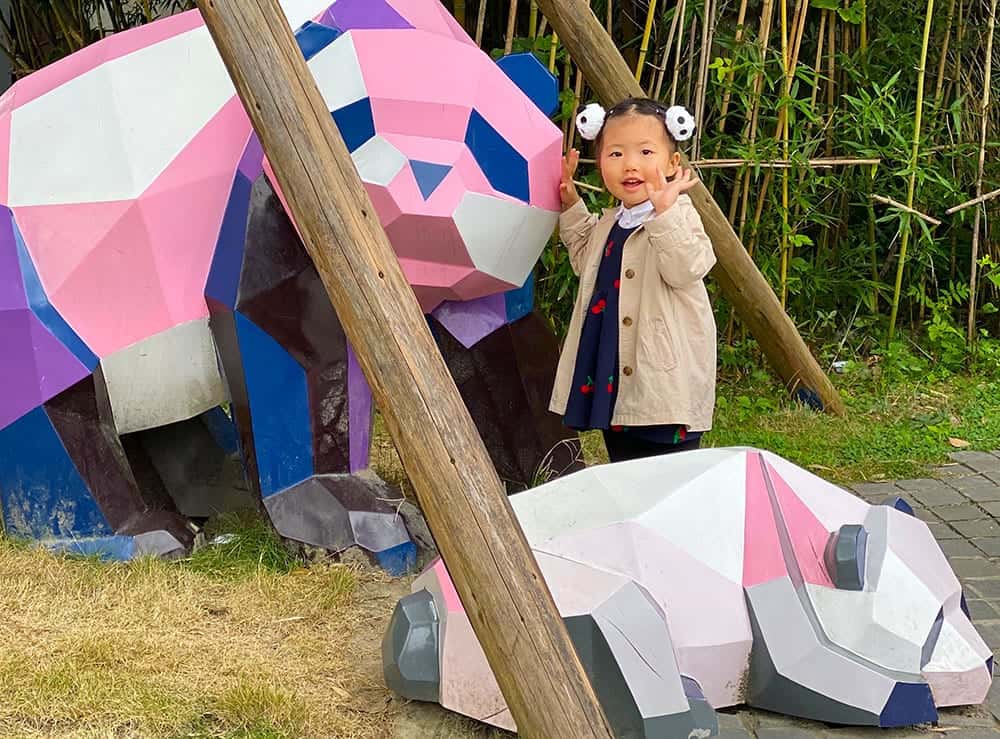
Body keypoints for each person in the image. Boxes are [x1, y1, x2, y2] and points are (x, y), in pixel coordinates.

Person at [549, 97, 717, 463]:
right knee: (624, 460)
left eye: (645, 151)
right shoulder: (612, 221)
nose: (631, 165)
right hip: (614, 366)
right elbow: (585, 260)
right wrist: (571, 202)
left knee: (667, 471)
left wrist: (665, 214)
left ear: (673, 163)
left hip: (663, 373)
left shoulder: (678, 213)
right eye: (615, 154)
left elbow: (688, 266)